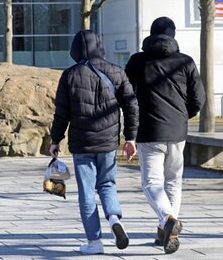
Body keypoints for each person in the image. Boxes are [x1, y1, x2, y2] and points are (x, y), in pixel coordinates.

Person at [49, 29, 139, 255]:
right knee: (107, 184)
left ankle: (94, 242)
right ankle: (115, 220)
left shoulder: (69, 75)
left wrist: (55, 139)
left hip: (82, 144)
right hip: (108, 142)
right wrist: (131, 138)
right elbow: (131, 106)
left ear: (75, 50)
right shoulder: (117, 72)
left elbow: (62, 113)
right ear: (99, 46)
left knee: (87, 193)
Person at [125, 16, 205, 254]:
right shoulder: (186, 62)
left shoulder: (137, 62)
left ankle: (167, 219)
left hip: (149, 131)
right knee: (173, 181)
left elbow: (126, 95)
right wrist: (181, 116)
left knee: (151, 183)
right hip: (178, 131)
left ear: (150, 34)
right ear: (173, 34)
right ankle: (166, 228)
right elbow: (198, 99)